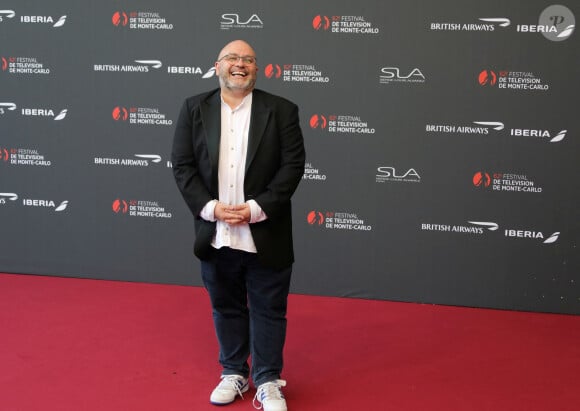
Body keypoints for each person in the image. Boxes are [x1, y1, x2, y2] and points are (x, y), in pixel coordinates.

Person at [171, 40, 305, 411]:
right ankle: (234, 371)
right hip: (215, 231)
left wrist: (256, 209)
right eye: (232, 58)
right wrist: (211, 208)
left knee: (268, 308)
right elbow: (182, 165)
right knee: (225, 306)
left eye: (248, 59)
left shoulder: (281, 110)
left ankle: (267, 380)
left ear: (256, 69)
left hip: (266, 230)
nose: (240, 64)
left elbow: (292, 167)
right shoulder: (193, 108)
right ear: (217, 66)